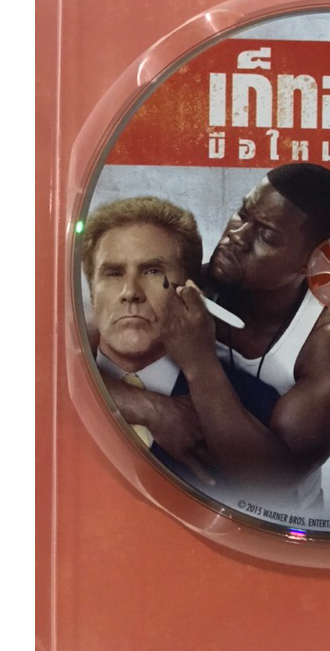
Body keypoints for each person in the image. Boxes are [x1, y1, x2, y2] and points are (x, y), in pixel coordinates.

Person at [159, 163, 330, 505]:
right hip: (192, 501)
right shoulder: (192, 283)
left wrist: (199, 361)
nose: (237, 236)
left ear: (312, 262)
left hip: (281, 522)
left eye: (267, 236)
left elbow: (271, 482)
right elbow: (80, 352)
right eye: (242, 214)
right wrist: (151, 409)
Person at [82, 196, 276, 489]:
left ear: (191, 291)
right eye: (113, 273)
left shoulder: (257, 404)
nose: (130, 292)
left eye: (152, 271)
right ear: (91, 293)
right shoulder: (45, 392)